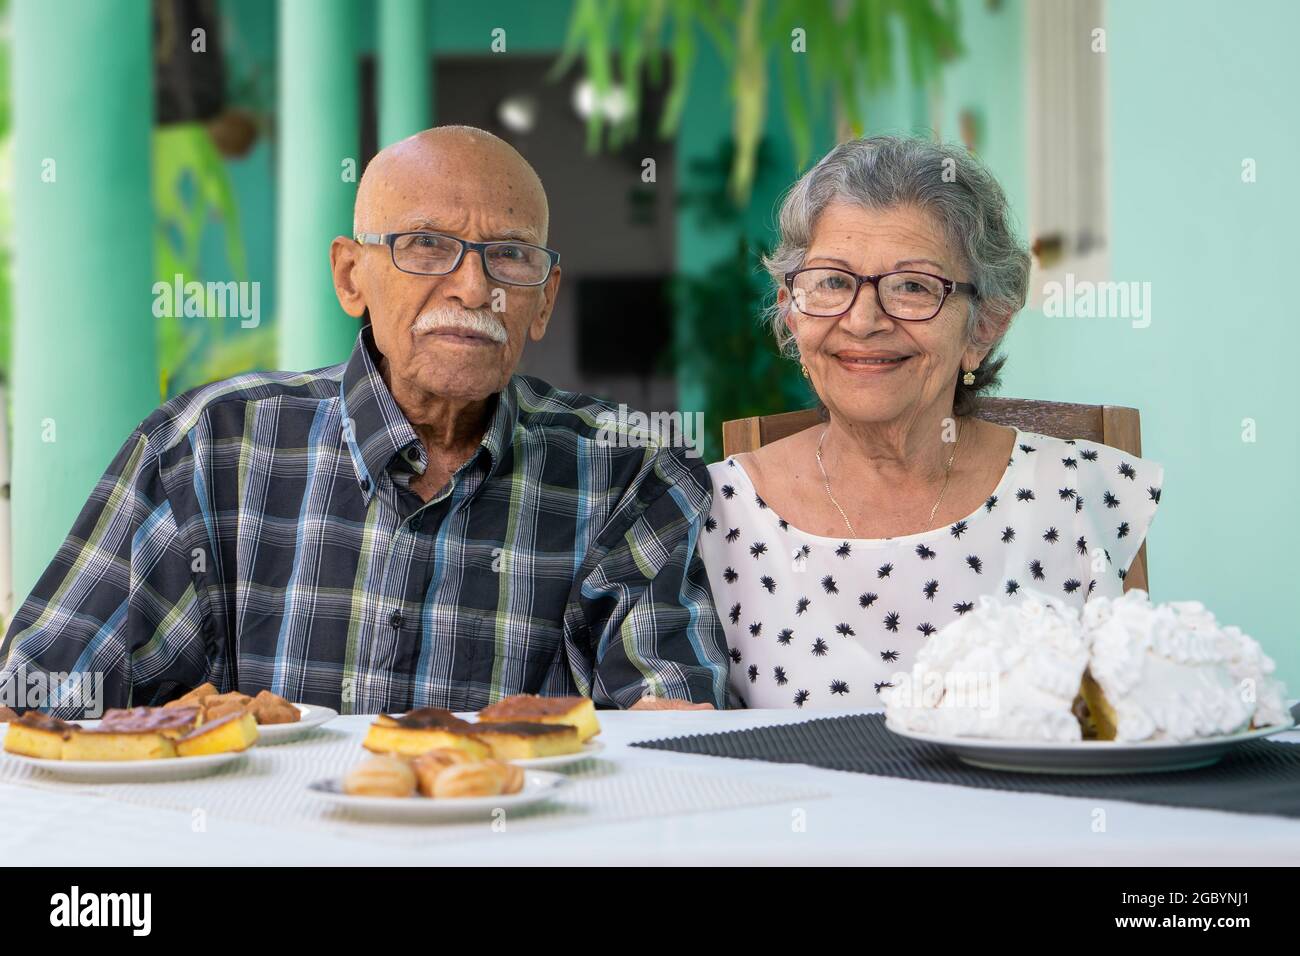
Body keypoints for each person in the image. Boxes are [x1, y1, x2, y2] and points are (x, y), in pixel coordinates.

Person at [1, 126, 726, 716]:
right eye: (427, 245)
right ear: (352, 276)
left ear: (542, 299)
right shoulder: (208, 449)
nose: (474, 287)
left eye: (510, 256)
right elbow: (38, 703)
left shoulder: (628, 469)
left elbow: (670, 732)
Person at [698, 136, 1162, 709]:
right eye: (833, 282)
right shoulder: (714, 512)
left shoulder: (1083, 494)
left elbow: (1136, 725)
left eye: (913, 287)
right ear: (793, 313)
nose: (864, 321)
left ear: (986, 325)